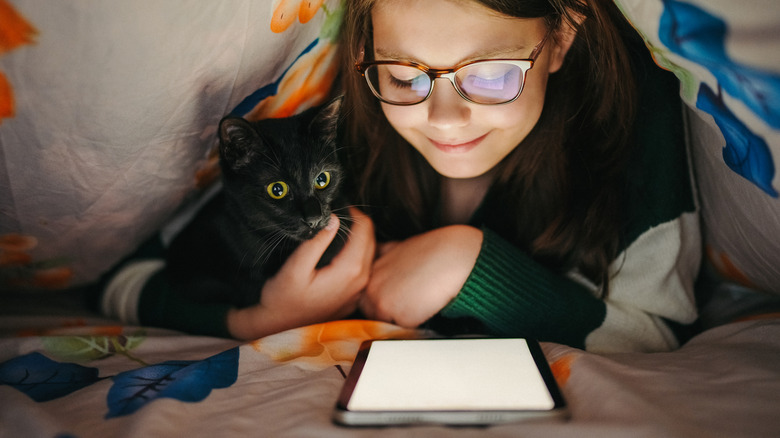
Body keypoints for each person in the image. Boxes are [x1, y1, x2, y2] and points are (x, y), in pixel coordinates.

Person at [336, 0, 701, 353]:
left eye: (490, 77)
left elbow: (657, 338)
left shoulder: (636, 111)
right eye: (405, 78)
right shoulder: (340, 123)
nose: (445, 119)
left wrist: (468, 267)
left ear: (562, 36)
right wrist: (281, 312)